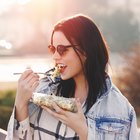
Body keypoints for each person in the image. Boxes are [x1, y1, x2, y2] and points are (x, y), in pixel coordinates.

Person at [6, 14, 139, 140]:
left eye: (62, 50)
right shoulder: (41, 92)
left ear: (86, 50)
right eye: (53, 49)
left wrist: (84, 131)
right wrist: (20, 104)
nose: (55, 56)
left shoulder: (121, 110)